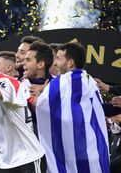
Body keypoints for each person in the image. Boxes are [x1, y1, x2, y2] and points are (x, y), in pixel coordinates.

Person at [36, 42, 109, 173]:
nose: (55, 63)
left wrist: (34, 94)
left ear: (70, 63)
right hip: (93, 151)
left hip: (69, 155)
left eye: (58, 59)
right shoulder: (89, 80)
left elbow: (40, 105)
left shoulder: (61, 82)